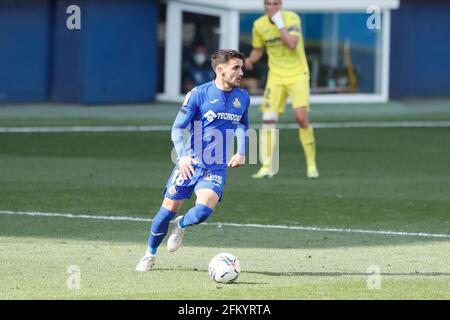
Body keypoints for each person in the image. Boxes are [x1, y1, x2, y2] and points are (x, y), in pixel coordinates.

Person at [136, 49, 250, 272]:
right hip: (191, 163)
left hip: (215, 166)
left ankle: (181, 225)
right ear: (220, 70)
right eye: (236, 67)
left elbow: (243, 125)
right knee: (165, 211)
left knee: (203, 210)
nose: (241, 72)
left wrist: (242, 151)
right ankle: (149, 255)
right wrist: (183, 157)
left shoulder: (243, 97)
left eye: (241, 67)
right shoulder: (199, 94)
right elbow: (178, 127)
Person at [244, 0, 319, 179]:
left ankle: (311, 164)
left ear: (281, 5)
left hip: (297, 74)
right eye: (268, 4)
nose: (272, 7)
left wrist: (279, 23)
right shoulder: (259, 25)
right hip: (276, 77)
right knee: (268, 120)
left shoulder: (291, 19)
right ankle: (267, 166)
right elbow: (258, 49)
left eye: (275, 3)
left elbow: (292, 43)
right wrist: (251, 60)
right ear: (264, 6)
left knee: (301, 118)